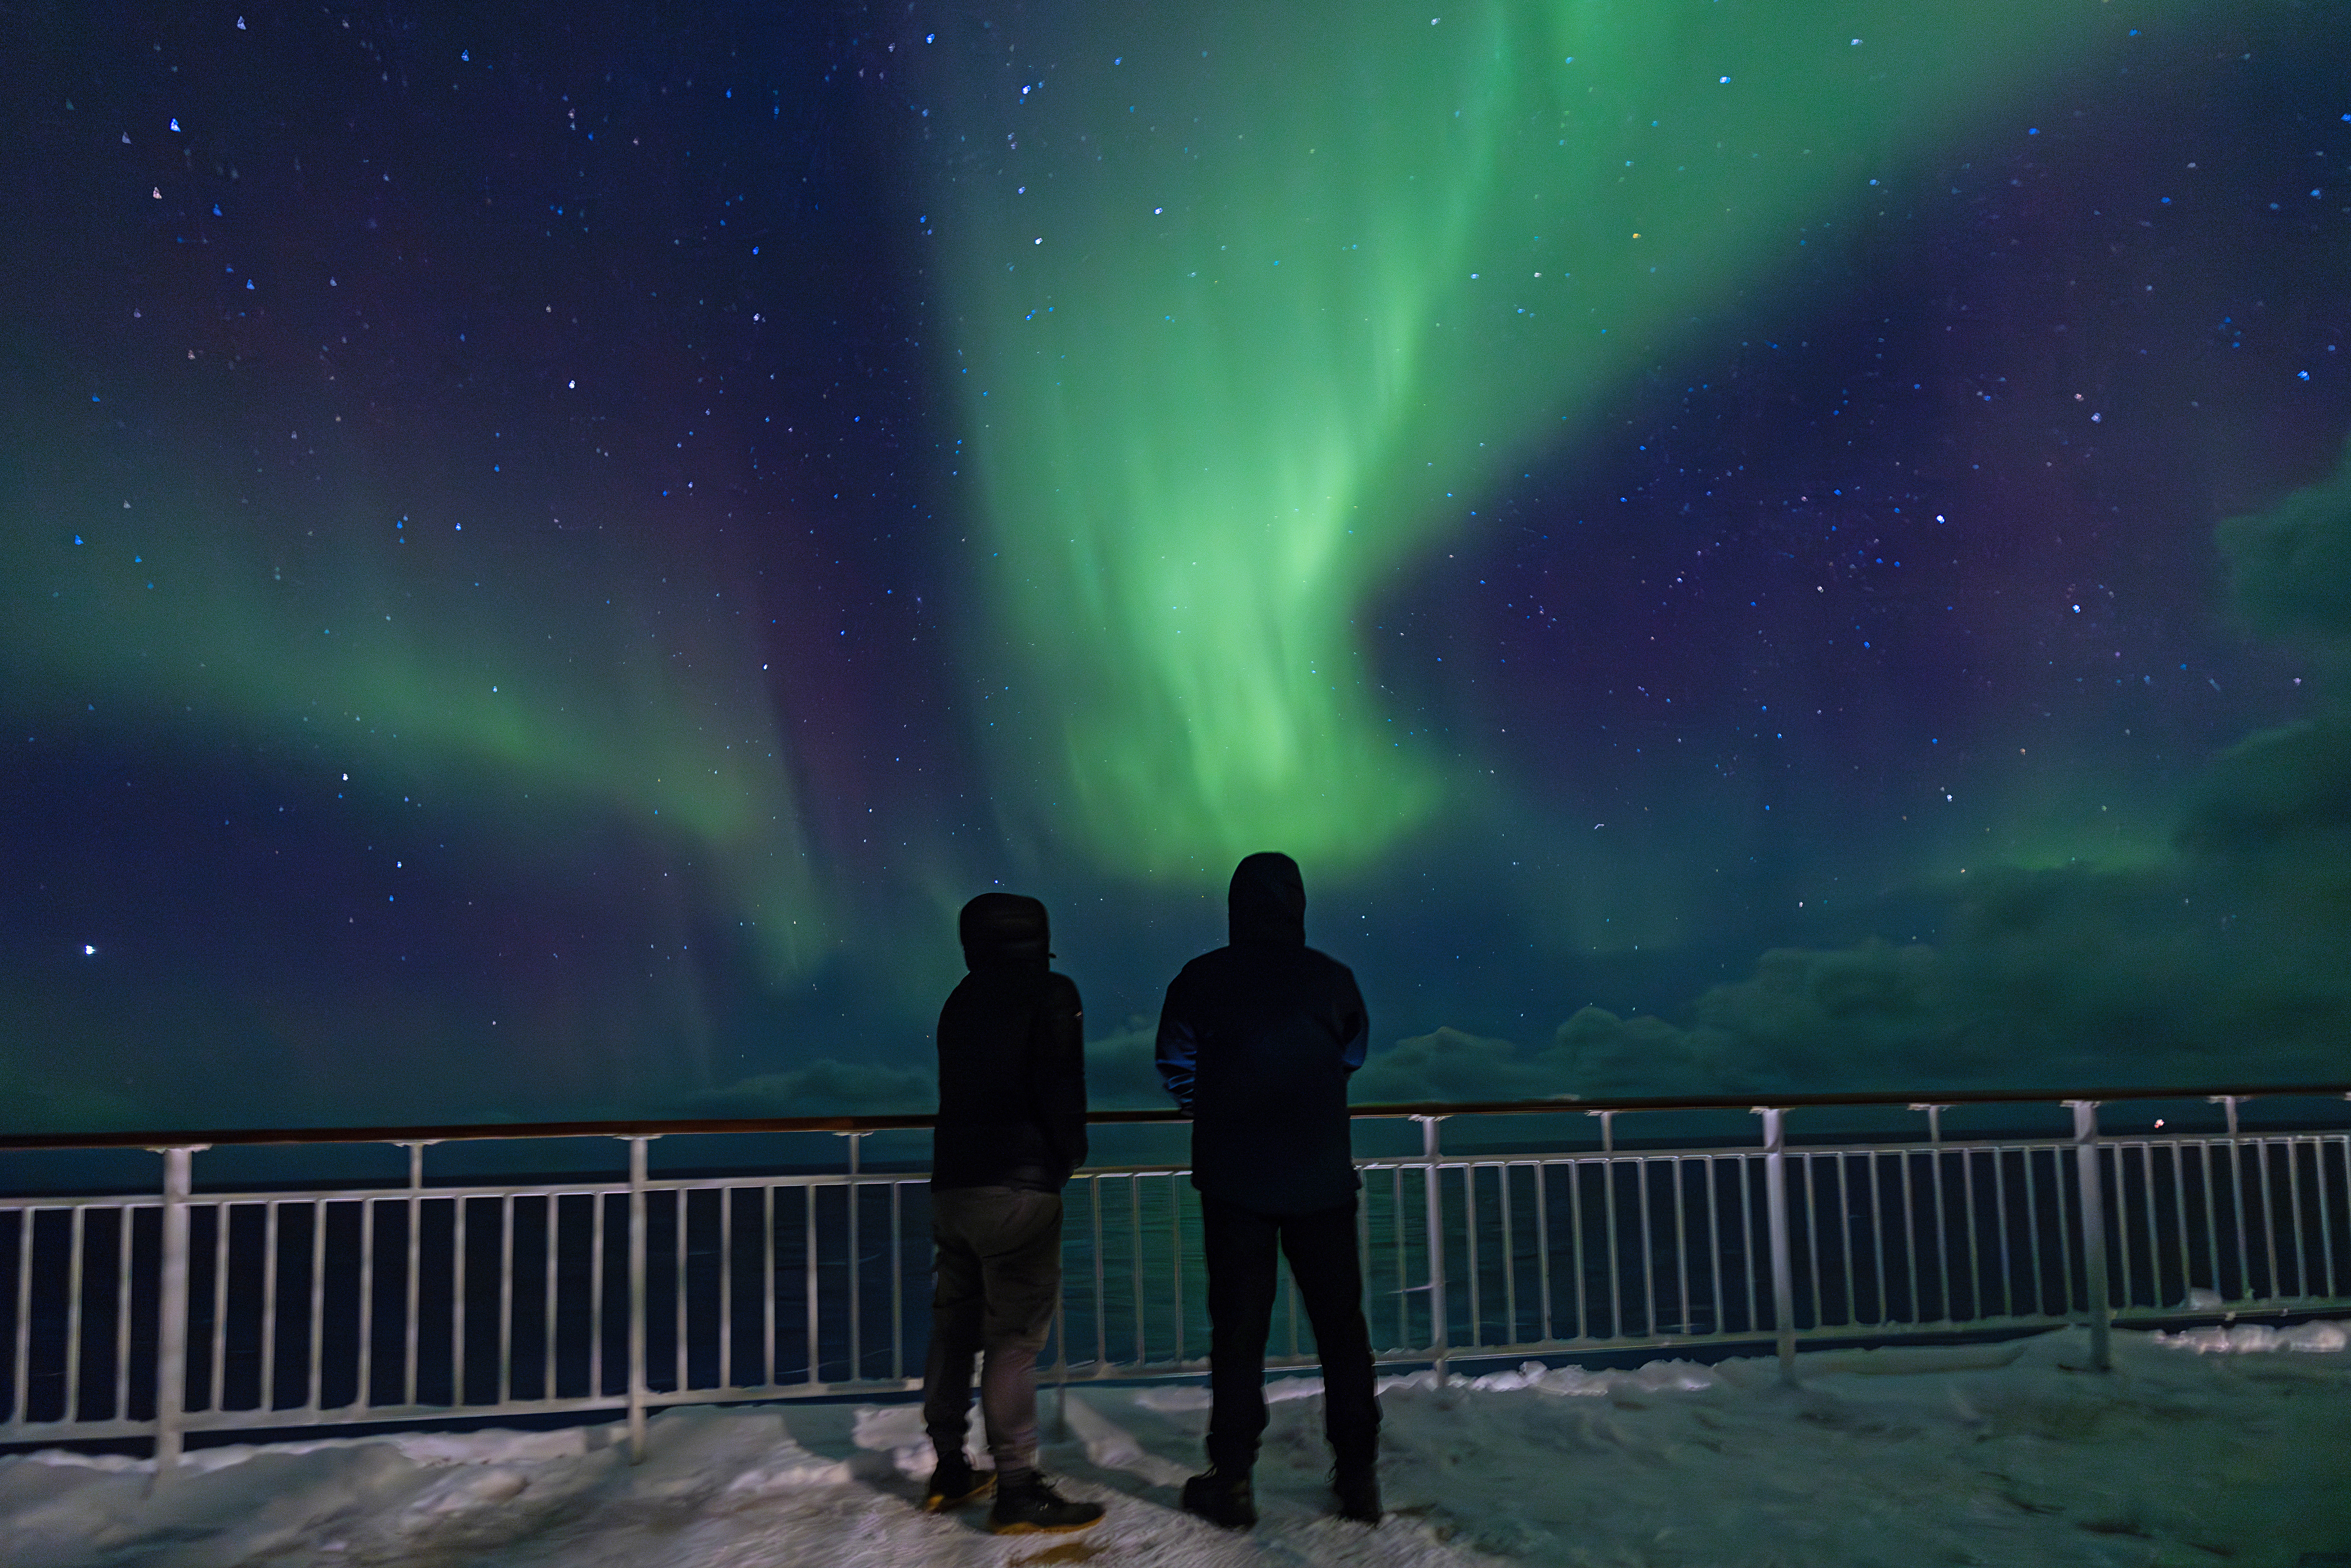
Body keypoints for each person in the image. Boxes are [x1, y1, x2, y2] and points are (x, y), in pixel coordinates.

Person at [1155, 852, 1381, 1529]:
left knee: (1238, 1332)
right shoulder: (1331, 980)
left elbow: (1174, 1059)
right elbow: (1352, 1053)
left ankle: (1232, 1478)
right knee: (1341, 1331)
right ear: (1298, 904)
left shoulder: (1202, 978)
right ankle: (1358, 1477)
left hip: (1234, 1181)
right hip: (1320, 1178)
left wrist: (1209, 1101)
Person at [920, 892, 1105, 1535]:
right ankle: (1018, 1487)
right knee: (1014, 1340)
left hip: (953, 1187)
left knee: (953, 1326)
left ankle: (949, 1464)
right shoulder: (1051, 991)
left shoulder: (960, 1000)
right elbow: (1061, 1085)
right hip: (1019, 1190)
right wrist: (1064, 1160)